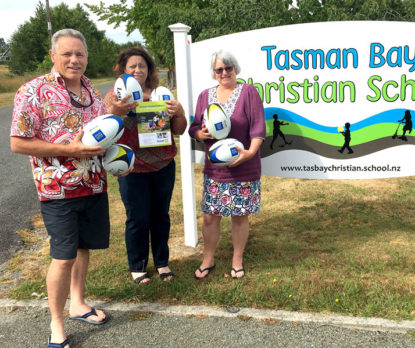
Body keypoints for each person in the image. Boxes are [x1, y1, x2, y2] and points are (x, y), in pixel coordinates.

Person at [10, 29, 134, 348]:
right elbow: (17, 143)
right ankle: (56, 323)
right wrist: (70, 151)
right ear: (53, 56)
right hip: (57, 190)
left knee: (83, 248)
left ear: (87, 57)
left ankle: (77, 303)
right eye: (66, 54)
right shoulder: (33, 91)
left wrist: (118, 160)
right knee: (63, 256)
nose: (74, 60)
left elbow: (98, 134)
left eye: (79, 54)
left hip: (93, 185)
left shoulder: (91, 89)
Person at [104, 47, 187, 284]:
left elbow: (178, 130)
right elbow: (105, 128)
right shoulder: (114, 96)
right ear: (123, 70)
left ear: (149, 69)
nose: (138, 70)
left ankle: (162, 263)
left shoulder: (161, 93)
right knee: (137, 218)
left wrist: (179, 111)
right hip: (131, 169)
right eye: (132, 66)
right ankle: (138, 266)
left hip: (162, 166)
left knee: (160, 216)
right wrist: (117, 111)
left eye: (142, 65)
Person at [189, 50, 266, 279]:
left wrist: (250, 153)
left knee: (239, 216)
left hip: (243, 166)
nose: (224, 73)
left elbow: (258, 128)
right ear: (214, 72)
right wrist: (200, 134)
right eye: (219, 69)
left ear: (235, 68)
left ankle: (237, 260)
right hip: (215, 170)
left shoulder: (248, 92)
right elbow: (194, 127)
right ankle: (208, 259)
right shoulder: (205, 95)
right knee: (210, 216)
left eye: (228, 68)